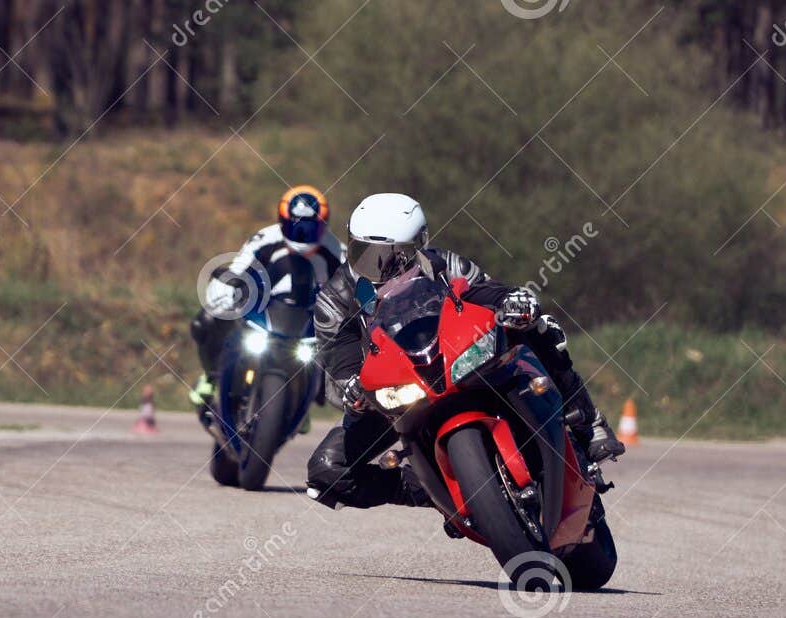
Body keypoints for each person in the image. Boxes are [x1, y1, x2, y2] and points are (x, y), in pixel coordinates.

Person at [306, 192, 623, 510]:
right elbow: (337, 352)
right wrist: (352, 385)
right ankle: (439, 493)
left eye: (394, 255)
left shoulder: (447, 265)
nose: (378, 267)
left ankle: (587, 422)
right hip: (395, 394)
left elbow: (485, 292)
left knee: (540, 326)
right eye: (365, 252)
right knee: (326, 470)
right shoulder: (335, 297)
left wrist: (513, 299)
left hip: (461, 360)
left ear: (419, 246)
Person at [190, 185, 343, 413]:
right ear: (283, 221)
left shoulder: (337, 252)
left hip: (310, 318)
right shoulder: (264, 239)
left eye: (311, 228)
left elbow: (350, 286)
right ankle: (212, 378)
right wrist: (230, 286)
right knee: (206, 320)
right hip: (265, 307)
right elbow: (239, 267)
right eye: (296, 227)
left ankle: (302, 399)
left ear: (323, 225)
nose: (302, 235)